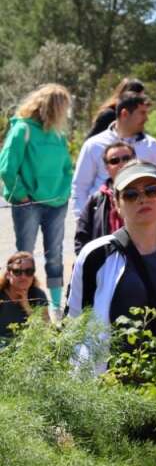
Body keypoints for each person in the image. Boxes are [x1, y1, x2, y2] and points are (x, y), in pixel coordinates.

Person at [67, 160, 156, 466]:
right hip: (105, 390)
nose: (143, 199)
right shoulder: (96, 255)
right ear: (116, 203)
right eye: (131, 194)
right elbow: (74, 324)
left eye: (152, 190)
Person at [0, 84, 75, 308]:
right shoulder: (22, 129)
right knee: (24, 259)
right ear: (53, 107)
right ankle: (22, 305)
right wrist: (22, 196)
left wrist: (64, 193)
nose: (66, 113)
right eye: (64, 107)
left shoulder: (58, 135)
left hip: (57, 205)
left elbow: (66, 169)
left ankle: (55, 307)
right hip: (29, 205)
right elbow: (6, 168)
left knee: (55, 256)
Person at [71, 91, 156, 218]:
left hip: (142, 218)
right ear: (125, 114)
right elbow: (80, 187)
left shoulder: (151, 145)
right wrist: (83, 222)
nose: (146, 118)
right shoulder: (93, 145)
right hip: (103, 218)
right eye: (142, 113)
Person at [74, 140, 135, 254]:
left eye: (126, 158)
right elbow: (81, 239)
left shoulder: (150, 193)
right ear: (107, 167)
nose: (121, 164)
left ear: (135, 161)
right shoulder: (96, 200)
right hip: (106, 264)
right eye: (114, 161)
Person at [0, 252, 49, 336]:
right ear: (8, 274)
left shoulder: (38, 295)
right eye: (17, 271)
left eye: (29, 271)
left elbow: (47, 329)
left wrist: (26, 306)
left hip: (28, 346)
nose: (23, 276)